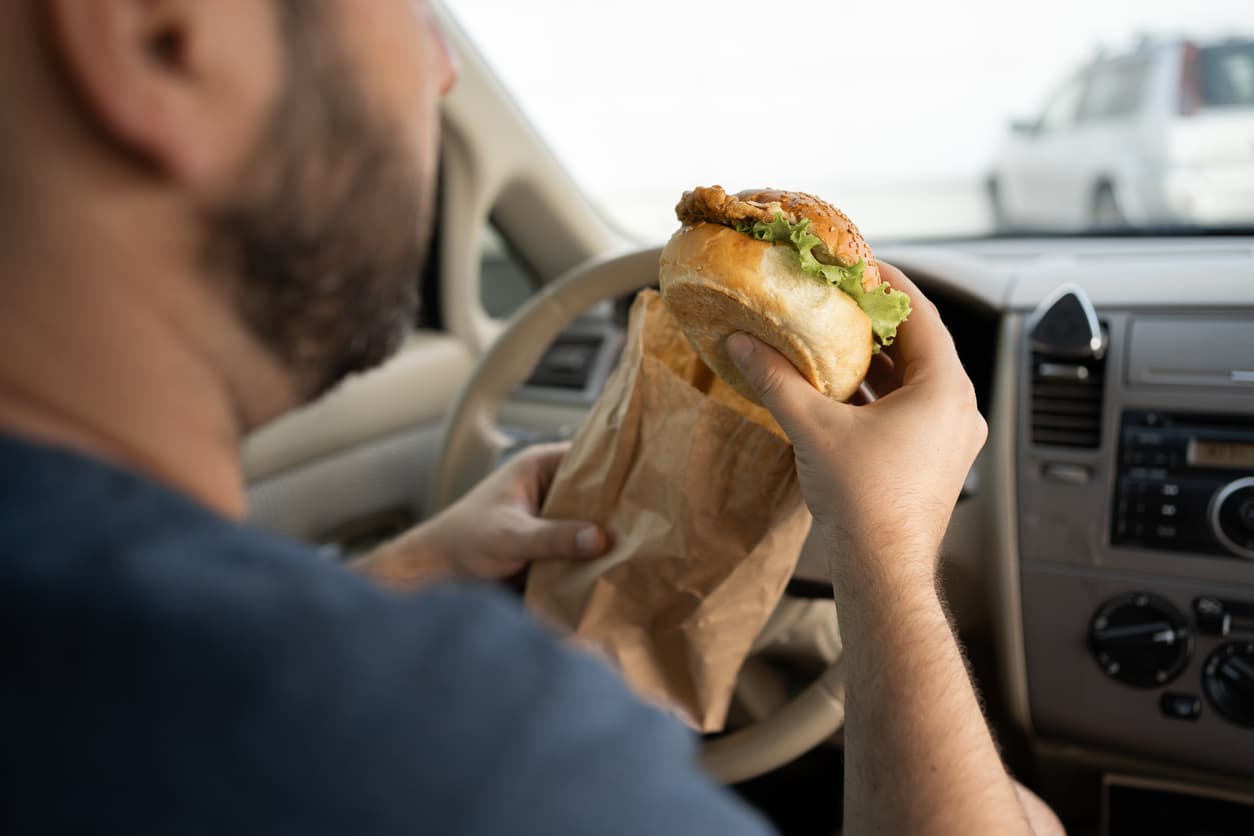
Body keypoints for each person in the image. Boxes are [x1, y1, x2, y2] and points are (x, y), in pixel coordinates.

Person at [0, 1, 1061, 834]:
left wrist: (403, 566)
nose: (445, 69)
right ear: (154, 30)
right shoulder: (488, 763)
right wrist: (886, 550)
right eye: (413, 10)